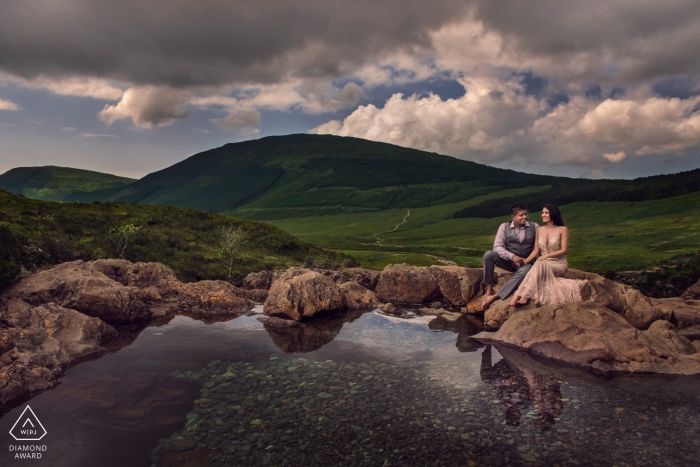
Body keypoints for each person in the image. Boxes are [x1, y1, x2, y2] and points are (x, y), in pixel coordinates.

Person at [508, 203, 587, 306]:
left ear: (553, 214)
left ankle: (523, 296)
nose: (543, 215)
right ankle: (518, 297)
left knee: (538, 264)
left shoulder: (562, 229)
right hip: (542, 264)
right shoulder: (539, 230)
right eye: (542, 213)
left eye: (546, 213)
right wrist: (525, 261)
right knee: (539, 264)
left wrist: (546, 256)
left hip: (558, 264)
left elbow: (564, 250)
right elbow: (536, 250)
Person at [481, 203, 539, 310]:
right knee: (488, 255)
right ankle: (490, 288)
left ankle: (495, 296)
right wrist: (512, 256)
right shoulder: (504, 227)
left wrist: (526, 261)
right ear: (513, 217)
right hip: (508, 261)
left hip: (526, 262)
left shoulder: (535, 227)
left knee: (524, 272)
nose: (525, 217)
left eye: (525, 214)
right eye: (521, 215)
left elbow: (538, 248)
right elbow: (497, 246)